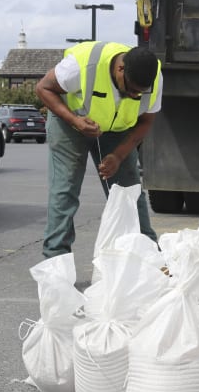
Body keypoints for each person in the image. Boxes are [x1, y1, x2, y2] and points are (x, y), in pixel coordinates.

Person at [35, 42, 162, 258]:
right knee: (65, 190)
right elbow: (43, 88)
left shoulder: (154, 77)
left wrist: (118, 155)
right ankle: (55, 261)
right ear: (120, 69)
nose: (134, 96)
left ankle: (148, 255)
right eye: (131, 89)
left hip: (117, 128)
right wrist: (75, 121)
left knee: (129, 192)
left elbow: (146, 122)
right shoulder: (82, 65)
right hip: (70, 121)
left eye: (140, 93)